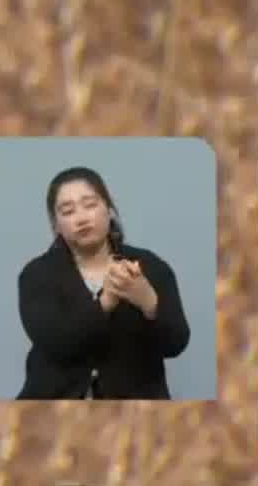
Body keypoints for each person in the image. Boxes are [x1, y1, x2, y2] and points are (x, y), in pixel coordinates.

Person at [15, 166, 190, 399]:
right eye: (68, 211)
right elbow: (56, 343)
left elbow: (176, 343)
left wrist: (148, 301)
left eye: (90, 205)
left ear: (108, 209)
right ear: (56, 225)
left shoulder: (150, 266)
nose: (82, 218)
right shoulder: (37, 274)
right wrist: (106, 301)